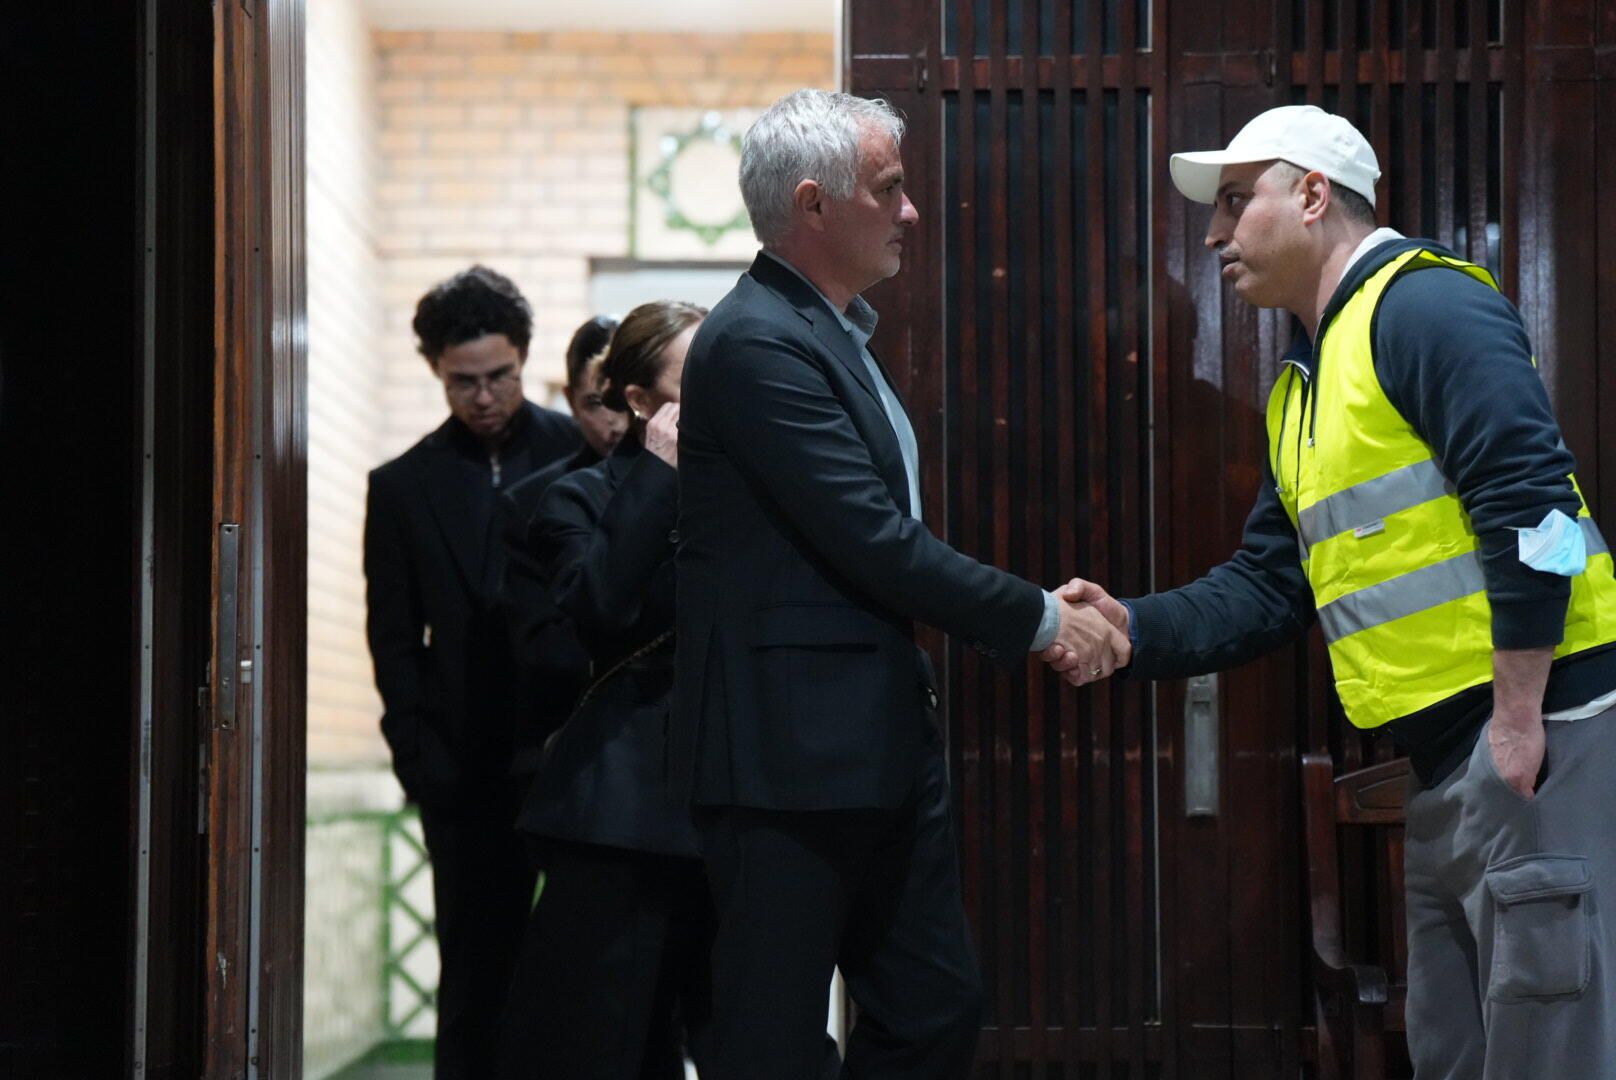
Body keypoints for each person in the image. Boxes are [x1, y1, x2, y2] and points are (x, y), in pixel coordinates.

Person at [1050, 105, 1616, 1077]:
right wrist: (1128, 627)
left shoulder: (1423, 306)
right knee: (1456, 1049)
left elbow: (1544, 518)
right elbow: (1269, 586)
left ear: (1312, 195)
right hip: (1452, 761)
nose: (1214, 234)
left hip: (1540, 742)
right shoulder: (1307, 383)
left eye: (1234, 201)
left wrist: (1521, 716)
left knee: (1547, 1048)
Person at [671, 89, 1129, 1079]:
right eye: (889, 189)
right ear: (813, 204)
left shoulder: (827, 332)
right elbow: (875, 543)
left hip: (870, 741)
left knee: (933, 1008)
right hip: (782, 760)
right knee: (769, 1039)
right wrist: (1045, 617)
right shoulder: (756, 342)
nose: (912, 212)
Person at [364, 265, 581, 1079]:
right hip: (464, 768)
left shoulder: (576, 448)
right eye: (464, 382)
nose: (484, 397)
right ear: (435, 372)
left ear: (523, 359)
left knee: (590, 971)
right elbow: (392, 636)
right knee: (473, 977)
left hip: (570, 756)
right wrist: (417, 759)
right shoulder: (403, 487)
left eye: (500, 377)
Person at [499, 301, 716, 1079]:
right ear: (637, 399)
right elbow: (601, 612)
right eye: (697, 381)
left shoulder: (756, 487)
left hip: (740, 803)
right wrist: (660, 471)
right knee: (610, 1046)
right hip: (623, 818)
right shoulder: (576, 499)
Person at [501, 315, 628, 778]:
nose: (616, 421)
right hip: (570, 738)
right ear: (572, 403)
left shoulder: (699, 482)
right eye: (598, 402)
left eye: (627, 397)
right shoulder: (533, 502)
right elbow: (541, 644)